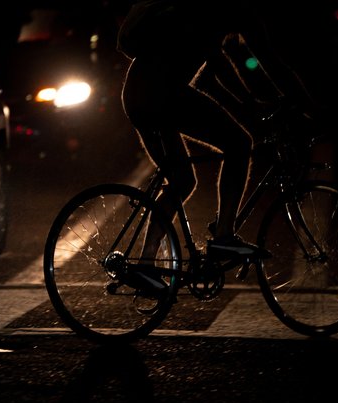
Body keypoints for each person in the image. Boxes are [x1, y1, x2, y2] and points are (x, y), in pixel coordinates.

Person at [117, 0, 318, 268]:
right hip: (160, 93)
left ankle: (145, 262)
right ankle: (224, 235)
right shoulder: (221, 9)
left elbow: (216, 74)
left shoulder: (218, 12)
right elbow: (249, 63)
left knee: (182, 180)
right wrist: (305, 108)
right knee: (238, 143)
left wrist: (257, 104)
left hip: (140, 94)